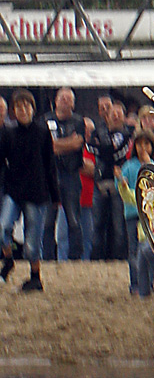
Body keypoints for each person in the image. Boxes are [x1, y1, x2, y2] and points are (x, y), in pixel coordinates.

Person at [0, 89, 59, 292]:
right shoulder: (8, 132)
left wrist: (55, 194)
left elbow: (50, 164)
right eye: (19, 107)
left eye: (26, 106)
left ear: (33, 109)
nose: (23, 110)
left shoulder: (42, 133)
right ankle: (8, 260)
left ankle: (35, 278)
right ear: (14, 111)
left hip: (37, 193)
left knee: (32, 241)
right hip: (14, 191)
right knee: (2, 228)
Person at [42, 87, 86, 261]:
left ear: (74, 103)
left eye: (69, 98)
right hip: (50, 175)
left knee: (74, 220)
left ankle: (75, 258)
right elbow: (46, 147)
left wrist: (56, 145)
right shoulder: (45, 120)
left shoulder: (78, 121)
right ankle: (47, 258)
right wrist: (66, 144)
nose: (66, 101)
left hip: (71, 175)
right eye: (63, 98)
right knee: (47, 221)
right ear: (56, 100)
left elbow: (78, 144)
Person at [116, 129, 154, 295]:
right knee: (134, 250)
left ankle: (148, 283)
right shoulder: (129, 166)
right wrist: (121, 181)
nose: (143, 148)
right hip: (133, 214)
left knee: (149, 249)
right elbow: (120, 185)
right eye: (140, 144)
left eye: (146, 144)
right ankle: (135, 284)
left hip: (151, 215)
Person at [89, 100, 133, 260]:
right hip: (100, 182)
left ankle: (120, 258)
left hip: (120, 183)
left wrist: (104, 150)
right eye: (112, 114)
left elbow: (118, 152)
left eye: (119, 114)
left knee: (119, 224)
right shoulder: (97, 132)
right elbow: (91, 148)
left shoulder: (129, 134)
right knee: (97, 223)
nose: (115, 117)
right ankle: (96, 258)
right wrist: (105, 150)